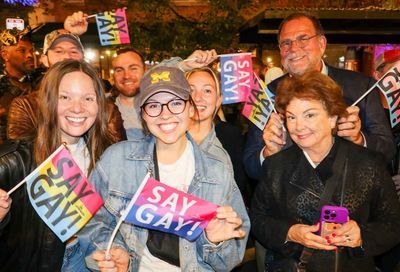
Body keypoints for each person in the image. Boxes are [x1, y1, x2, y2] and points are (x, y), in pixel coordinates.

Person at [79, 66, 249, 271]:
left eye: (176, 103)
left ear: (190, 108)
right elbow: (92, 220)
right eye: (153, 105)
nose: (165, 114)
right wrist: (114, 250)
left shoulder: (217, 173)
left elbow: (231, 258)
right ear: (143, 113)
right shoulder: (116, 161)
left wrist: (213, 241)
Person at [250, 71, 400, 271]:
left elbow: (393, 224)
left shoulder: (369, 163)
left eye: (309, 115)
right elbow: (258, 219)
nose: (298, 126)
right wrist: (291, 232)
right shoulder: (276, 165)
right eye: (291, 117)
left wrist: (362, 235)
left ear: (332, 118)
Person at [243, 12, 395, 180]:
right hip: (286, 200)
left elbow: (388, 151)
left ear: (322, 44)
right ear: (280, 50)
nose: (294, 48)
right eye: (286, 43)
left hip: (350, 196)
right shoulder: (266, 94)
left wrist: (359, 139)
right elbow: (251, 167)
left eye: (303, 39)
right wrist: (268, 152)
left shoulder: (361, 87)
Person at [0, 59, 116, 271]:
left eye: (88, 98)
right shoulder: (12, 160)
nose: (78, 108)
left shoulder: (108, 157)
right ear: (48, 101)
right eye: (65, 97)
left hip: (88, 258)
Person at [7, 28, 126, 143]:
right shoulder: (26, 107)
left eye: (73, 51)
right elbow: (23, 157)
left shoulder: (107, 110)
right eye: (58, 51)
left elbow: (117, 154)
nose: (67, 56)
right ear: (44, 59)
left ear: (82, 59)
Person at [111, 47, 218, 131]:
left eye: (133, 68)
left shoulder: (172, 105)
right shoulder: (106, 113)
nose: (126, 76)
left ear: (145, 70)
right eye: (119, 70)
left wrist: (185, 65)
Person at [186, 67, 248, 199]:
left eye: (207, 91)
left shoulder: (231, 136)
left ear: (218, 100)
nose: (197, 98)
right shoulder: (169, 137)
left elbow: (236, 190)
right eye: (191, 90)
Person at [0, 27, 35, 144]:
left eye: (31, 50)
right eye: (22, 50)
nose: (30, 55)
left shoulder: (42, 80)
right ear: (5, 55)